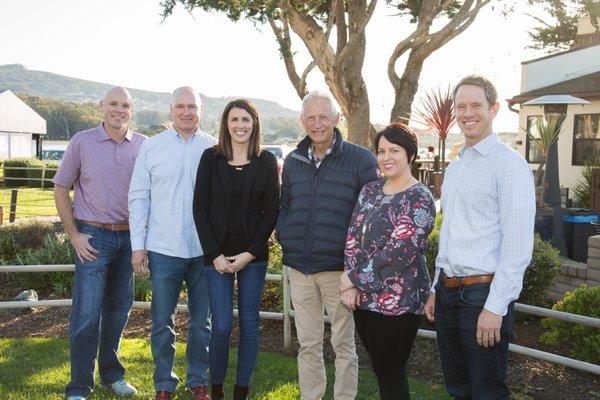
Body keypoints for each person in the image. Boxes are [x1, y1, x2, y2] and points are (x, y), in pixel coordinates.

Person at [424, 75, 536, 400]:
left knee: (488, 391)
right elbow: (451, 234)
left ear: (494, 109)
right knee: (459, 388)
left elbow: (517, 249)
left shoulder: (509, 166)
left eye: (476, 105)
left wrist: (495, 307)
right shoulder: (457, 166)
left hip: (482, 296)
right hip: (448, 292)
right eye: (461, 106)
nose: (467, 113)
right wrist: (435, 286)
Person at [276, 90, 378, 400]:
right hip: (301, 268)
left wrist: (355, 269)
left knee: (343, 344)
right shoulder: (294, 160)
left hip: (340, 273)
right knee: (308, 343)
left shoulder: (360, 159)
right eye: (311, 117)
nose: (317, 124)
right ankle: (311, 395)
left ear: (336, 119)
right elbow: (285, 205)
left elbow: (371, 216)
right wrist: (286, 237)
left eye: (324, 117)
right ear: (302, 120)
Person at [53, 86, 146, 400]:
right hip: (93, 237)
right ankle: (79, 386)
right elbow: (61, 186)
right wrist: (74, 235)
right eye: (113, 104)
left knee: (119, 311)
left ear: (131, 110)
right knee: (87, 314)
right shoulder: (82, 141)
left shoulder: (143, 146)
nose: (119, 110)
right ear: (102, 107)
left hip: (130, 237)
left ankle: (112, 375)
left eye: (125, 105)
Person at [128, 87, 216, 400]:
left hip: (205, 252)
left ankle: (197, 381)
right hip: (163, 249)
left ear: (201, 111)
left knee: (201, 324)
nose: (186, 112)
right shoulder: (152, 148)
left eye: (192, 106)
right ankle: (164, 384)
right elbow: (139, 197)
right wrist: (137, 245)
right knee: (161, 322)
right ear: (171, 110)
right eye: (180, 106)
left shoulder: (214, 148)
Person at [340, 123, 436, 399]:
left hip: (400, 301)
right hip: (364, 299)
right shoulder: (370, 190)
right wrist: (352, 285)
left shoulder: (419, 197)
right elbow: (352, 237)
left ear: (410, 155)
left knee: (390, 373)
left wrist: (354, 278)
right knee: (382, 371)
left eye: (394, 150)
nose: (386, 157)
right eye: (381, 151)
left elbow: (401, 251)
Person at [193, 99, 279, 400]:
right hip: (216, 256)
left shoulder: (266, 162)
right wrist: (214, 254)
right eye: (234, 119)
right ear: (225, 124)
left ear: (254, 124)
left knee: (249, 324)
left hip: (252, 257)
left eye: (246, 119)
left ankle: (241, 389)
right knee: (221, 325)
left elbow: (271, 212)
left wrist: (250, 254)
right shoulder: (210, 159)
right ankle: (216, 388)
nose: (240, 125)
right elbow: (199, 209)